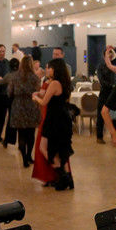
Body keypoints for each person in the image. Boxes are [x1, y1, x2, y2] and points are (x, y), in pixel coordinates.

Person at [32, 58, 74, 190]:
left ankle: (63, 176)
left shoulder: (55, 83)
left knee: (44, 148)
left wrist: (35, 98)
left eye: (50, 67)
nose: (48, 70)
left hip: (54, 119)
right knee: (61, 150)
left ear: (55, 69)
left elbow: (44, 102)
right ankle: (68, 178)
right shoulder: (65, 82)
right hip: (61, 118)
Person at [8, 55, 41, 164]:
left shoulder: (15, 77)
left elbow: (9, 92)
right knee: (31, 133)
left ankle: (24, 159)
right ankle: (29, 155)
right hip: (31, 105)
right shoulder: (35, 77)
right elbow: (38, 91)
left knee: (21, 134)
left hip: (18, 106)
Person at [95, 46, 116, 144]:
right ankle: (99, 136)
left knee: (113, 115)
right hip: (104, 92)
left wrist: (114, 48)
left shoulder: (114, 63)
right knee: (101, 115)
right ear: (104, 56)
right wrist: (112, 86)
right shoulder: (100, 66)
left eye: (111, 55)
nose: (110, 56)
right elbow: (101, 81)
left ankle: (113, 134)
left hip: (113, 92)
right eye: (108, 55)